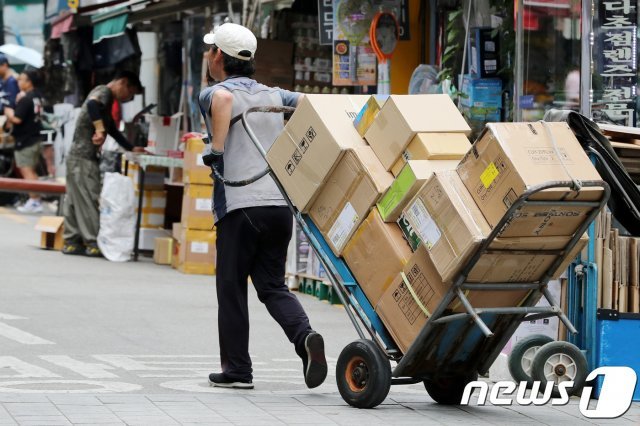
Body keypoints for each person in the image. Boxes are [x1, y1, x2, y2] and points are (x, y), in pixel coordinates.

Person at [198, 23, 327, 390]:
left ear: (218, 56)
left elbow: (223, 102)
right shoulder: (274, 94)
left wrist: (217, 150)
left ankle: (238, 370)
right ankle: (304, 338)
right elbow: (309, 104)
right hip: (278, 207)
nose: (209, 57)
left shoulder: (214, 93)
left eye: (211, 51)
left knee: (231, 286)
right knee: (272, 286)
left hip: (239, 206)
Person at [62, 70, 144, 257]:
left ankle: (72, 241)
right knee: (88, 197)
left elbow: (112, 130)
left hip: (78, 156)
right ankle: (91, 242)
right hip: (82, 157)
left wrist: (130, 147)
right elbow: (92, 105)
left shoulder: (107, 103)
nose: (127, 98)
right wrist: (99, 130)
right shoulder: (103, 92)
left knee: (76, 199)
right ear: (123, 83)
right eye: (130, 94)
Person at [5, 69, 44, 213]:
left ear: (29, 82)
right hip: (34, 138)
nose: (18, 82)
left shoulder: (27, 98)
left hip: (26, 140)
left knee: (27, 171)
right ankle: (35, 199)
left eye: (21, 79)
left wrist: (8, 111)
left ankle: (34, 200)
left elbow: (17, 118)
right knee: (31, 171)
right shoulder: (37, 96)